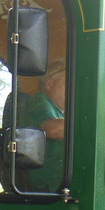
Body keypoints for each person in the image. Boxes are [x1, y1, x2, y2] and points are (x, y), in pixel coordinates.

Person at [20, 60, 67, 191]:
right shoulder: (39, 101)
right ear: (49, 83)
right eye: (66, 81)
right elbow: (53, 130)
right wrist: (89, 121)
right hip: (48, 187)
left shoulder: (59, 112)